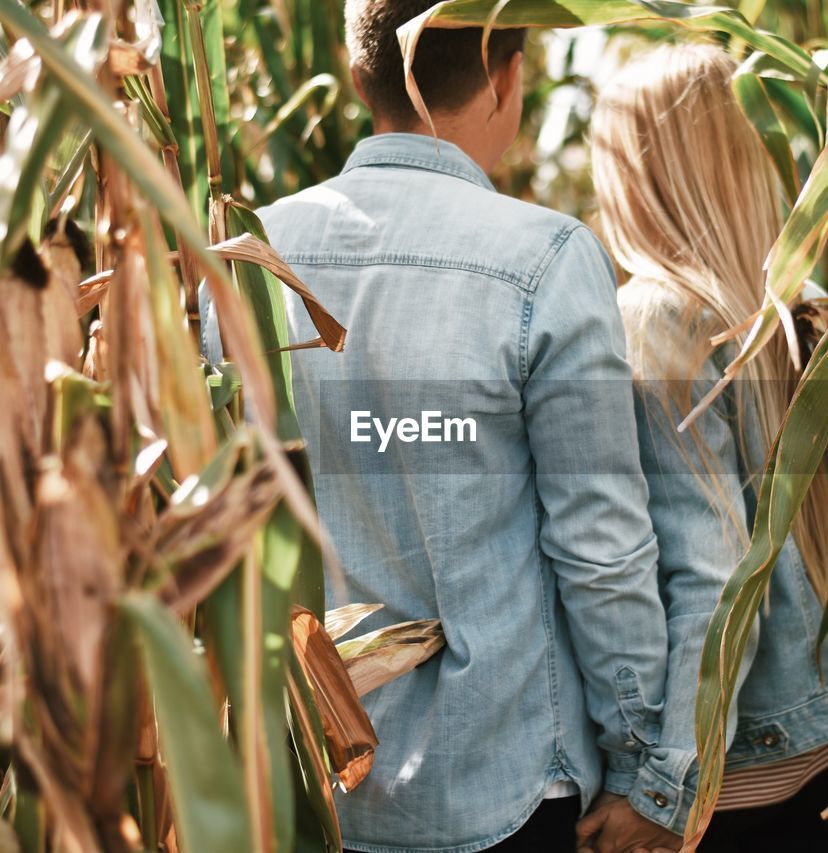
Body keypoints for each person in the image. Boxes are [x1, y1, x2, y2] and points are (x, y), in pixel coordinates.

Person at [205, 3, 687, 850]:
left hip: (304, 788)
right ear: (507, 78)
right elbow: (600, 543)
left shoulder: (242, 255)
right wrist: (644, 767)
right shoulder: (545, 258)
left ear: (361, 79)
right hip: (503, 786)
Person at [588, 43, 828, 852]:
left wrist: (663, 786)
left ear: (635, 174)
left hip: (740, 785)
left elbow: (716, 575)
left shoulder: (654, 319)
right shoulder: (791, 311)